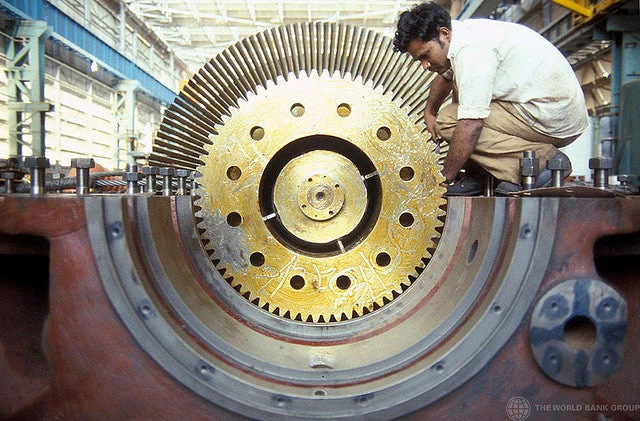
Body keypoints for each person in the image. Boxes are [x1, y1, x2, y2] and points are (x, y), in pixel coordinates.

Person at [393, 2, 589, 195]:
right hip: (546, 109)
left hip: (553, 115)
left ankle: (543, 162)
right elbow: (446, 77)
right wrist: (430, 111)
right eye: (419, 60)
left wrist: (444, 177)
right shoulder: (462, 37)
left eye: (426, 55)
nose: (425, 65)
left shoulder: (471, 50)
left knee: (449, 122)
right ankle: (480, 173)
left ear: (444, 34)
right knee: (459, 99)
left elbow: (471, 124)